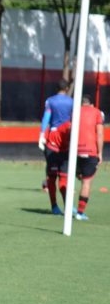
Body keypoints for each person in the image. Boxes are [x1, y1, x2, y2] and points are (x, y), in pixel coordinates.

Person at [46, 96, 104, 220]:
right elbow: (98, 134)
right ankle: (56, 206)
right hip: (53, 147)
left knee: (64, 178)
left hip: (69, 150)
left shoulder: (76, 116)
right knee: (52, 178)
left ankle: (68, 206)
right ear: (92, 105)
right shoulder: (87, 116)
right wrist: (99, 152)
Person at [38, 80, 74, 214]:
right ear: (67, 88)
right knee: (64, 176)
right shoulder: (72, 102)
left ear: (56, 88)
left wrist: (42, 134)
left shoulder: (50, 101)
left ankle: (54, 206)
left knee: (51, 176)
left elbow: (46, 118)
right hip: (67, 138)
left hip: (53, 139)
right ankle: (68, 207)